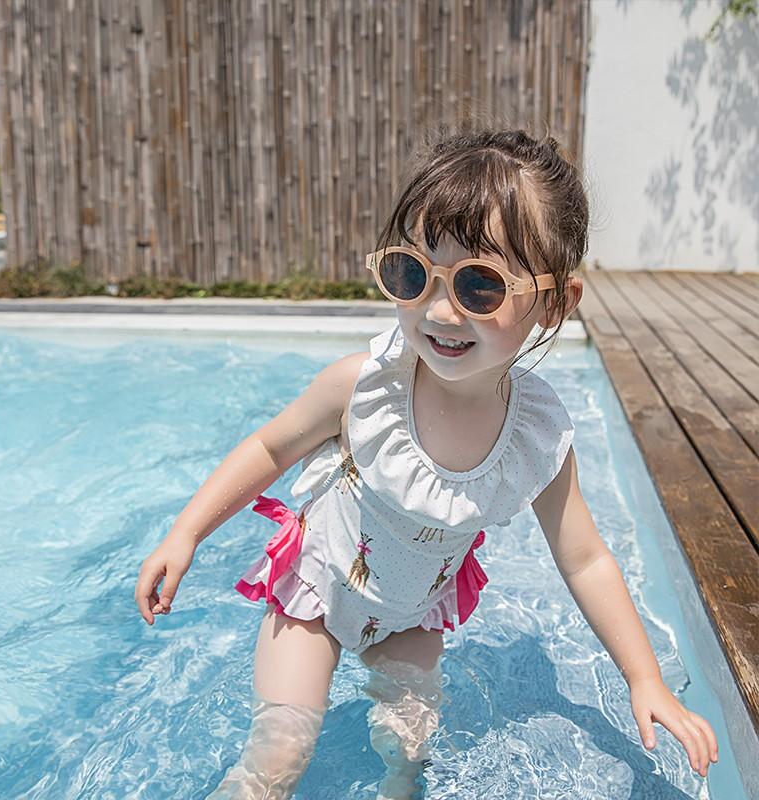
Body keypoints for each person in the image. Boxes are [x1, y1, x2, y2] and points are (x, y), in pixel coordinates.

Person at [134, 128, 719, 799]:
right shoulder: (363, 386)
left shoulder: (536, 437)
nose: (439, 310)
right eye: (413, 273)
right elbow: (270, 449)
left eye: (480, 286)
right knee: (278, 759)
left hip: (410, 618)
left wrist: (644, 678)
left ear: (554, 303)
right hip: (316, 595)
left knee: (407, 753)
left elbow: (584, 558)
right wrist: (186, 533)